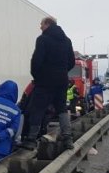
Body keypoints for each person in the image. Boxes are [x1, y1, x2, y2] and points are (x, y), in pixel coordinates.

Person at [21, 17, 75, 151]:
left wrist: (38, 76)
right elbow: (72, 61)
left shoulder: (43, 39)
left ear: (47, 24)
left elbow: (36, 61)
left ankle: (31, 140)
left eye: (41, 24)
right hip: (62, 80)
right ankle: (68, 138)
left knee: (37, 108)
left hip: (45, 81)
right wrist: (62, 72)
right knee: (62, 108)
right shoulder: (67, 41)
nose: (40, 27)